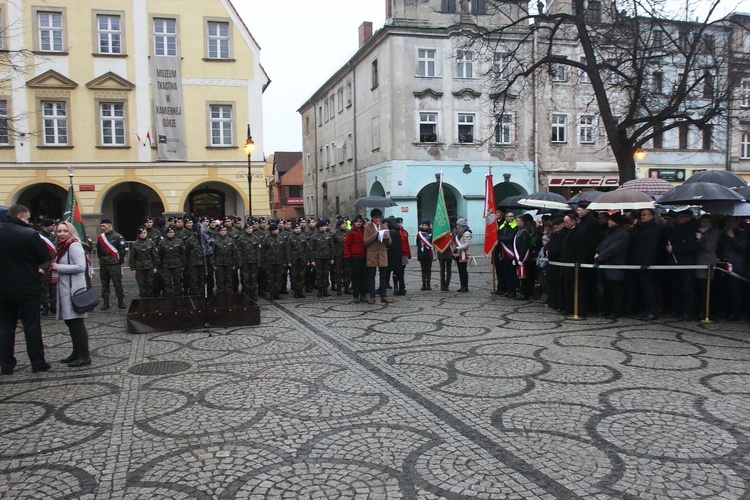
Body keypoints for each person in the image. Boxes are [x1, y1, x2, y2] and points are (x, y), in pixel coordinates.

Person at [0, 204, 53, 375]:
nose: (29, 221)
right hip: (27, 286)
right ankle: (38, 363)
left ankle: (6, 365)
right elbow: (43, 255)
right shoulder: (29, 234)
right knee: (31, 326)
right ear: (21, 217)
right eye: (28, 218)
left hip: (3, 287)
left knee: (5, 327)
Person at [50, 221, 92, 368]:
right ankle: (76, 352)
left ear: (71, 232)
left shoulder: (74, 246)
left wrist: (57, 267)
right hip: (65, 289)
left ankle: (84, 356)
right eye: (59, 231)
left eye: (64, 231)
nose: (61, 234)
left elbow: (80, 267)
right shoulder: (61, 247)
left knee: (77, 324)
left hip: (73, 290)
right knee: (70, 323)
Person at [594, 212, 630, 320]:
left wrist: (600, 257)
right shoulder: (611, 232)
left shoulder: (622, 234)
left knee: (616, 291)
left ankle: (616, 311)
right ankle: (609, 309)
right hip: (607, 265)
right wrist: (598, 251)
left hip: (615, 266)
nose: (608, 222)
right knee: (609, 290)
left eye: (610, 220)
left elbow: (613, 249)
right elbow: (603, 243)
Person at [363, 208, 393, 303]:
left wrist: (387, 238)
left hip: (382, 254)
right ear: (372, 218)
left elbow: (389, 243)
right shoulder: (368, 228)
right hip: (372, 254)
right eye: (375, 217)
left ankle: (383, 295)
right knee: (371, 276)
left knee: (383, 276)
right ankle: (372, 296)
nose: (377, 219)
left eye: (378, 217)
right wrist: (375, 234)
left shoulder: (384, 227)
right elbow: (365, 242)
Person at [97, 218, 127, 310]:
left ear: (109, 225)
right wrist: (102, 259)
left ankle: (120, 301)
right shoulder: (101, 237)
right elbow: (98, 251)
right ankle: (105, 302)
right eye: (101, 226)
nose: (102, 228)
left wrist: (119, 261)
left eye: (104, 226)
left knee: (117, 283)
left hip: (114, 264)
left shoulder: (118, 237)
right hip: (104, 264)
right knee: (104, 283)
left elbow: (122, 251)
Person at [129, 225, 160, 298]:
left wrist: (155, 266)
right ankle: (143, 297)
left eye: (144, 233)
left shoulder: (151, 243)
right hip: (139, 267)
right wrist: (132, 268)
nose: (143, 234)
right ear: (138, 234)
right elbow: (132, 257)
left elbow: (155, 256)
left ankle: (150, 297)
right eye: (141, 233)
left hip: (149, 266)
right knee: (141, 283)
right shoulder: (135, 244)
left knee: (150, 283)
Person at [344, 215, 367, 302]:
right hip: (355, 257)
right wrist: (348, 257)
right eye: (357, 222)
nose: (358, 223)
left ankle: (363, 294)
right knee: (355, 277)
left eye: (360, 222)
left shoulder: (365, 231)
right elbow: (346, 245)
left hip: (364, 257)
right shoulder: (350, 232)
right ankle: (356, 295)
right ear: (354, 223)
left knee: (364, 277)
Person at [38, 217, 57, 316]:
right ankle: (45, 305)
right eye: (52, 225)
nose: (54, 226)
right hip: (43, 265)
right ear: (46, 226)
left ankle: (53, 305)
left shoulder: (54, 237)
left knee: (53, 287)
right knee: (43, 287)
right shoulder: (38, 237)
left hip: (53, 264)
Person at [453, 218, 472, 292]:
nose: (457, 227)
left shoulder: (466, 233)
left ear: (462, 226)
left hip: (463, 255)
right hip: (458, 255)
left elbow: (467, 244)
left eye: (458, 225)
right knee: (460, 271)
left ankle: (465, 286)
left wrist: (457, 248)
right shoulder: (459, 233)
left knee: (463, 271)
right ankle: (462, 285)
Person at [416, 219, 434, 291]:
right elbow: (418, 244)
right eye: (423, 225)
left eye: (426, 225)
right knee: (423, 269)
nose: (424, 226)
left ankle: (428, 284)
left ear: (429, 226)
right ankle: (424, 283)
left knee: (428, 269)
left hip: (429, 253)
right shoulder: (419, 234)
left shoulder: (431, 234)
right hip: (422, 253)